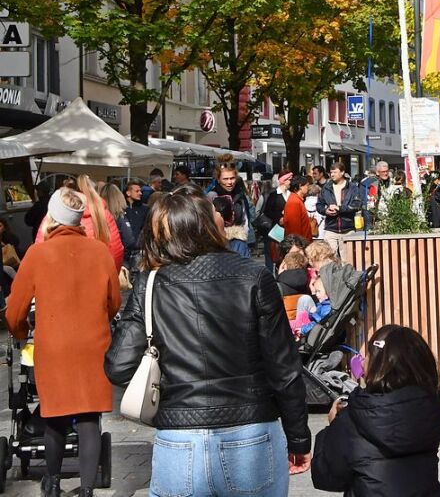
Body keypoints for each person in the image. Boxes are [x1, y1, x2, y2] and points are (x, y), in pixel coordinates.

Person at [105, 189, 312, 495]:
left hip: (179, 437)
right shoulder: (254, 276)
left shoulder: (150, 284)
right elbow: (284, 366)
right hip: (250, 430)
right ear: (207, 225)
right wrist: (298, 437)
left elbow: (119, 366)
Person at [7, 187, 121, 497]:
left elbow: (15, 308)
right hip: (93, 344)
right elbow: (114, 302)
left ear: (52, 217)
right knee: (88, 416)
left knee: (54, 414)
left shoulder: (38, 254)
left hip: (54, 346)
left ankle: (54, 482)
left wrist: (19, 333)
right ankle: (86, 489)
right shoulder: (100, 251)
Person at [311, 324, 440, 496]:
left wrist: (332, 427)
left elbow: (327, 476)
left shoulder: (353, 418)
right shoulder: (430, 408)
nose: (363, 360)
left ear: (376, 365)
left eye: (368, 354)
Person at [316, 162, 363, 260]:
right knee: (330, 259)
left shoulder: (352, 187)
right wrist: (325, 210)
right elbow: (319, 205)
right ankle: (333, 275)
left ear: (342, 173)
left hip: (348, 228)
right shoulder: (326, 187)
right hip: (331, 228)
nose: (332, 175)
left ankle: (345, 275)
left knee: (347, 260)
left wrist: (340, 208)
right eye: (331, 172)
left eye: (335, 172)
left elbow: (357, 204)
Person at [208, 161, 255, 258]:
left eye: (232, 178)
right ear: (218, 179)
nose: (230, 182)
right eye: (225, 179)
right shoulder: (212, 196)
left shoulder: (240, 195)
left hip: (240, 242)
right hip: (218, 243)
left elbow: (246, 219)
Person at [261, 172, 293, 272]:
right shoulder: (273, 195)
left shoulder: (291, 195)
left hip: (290, 228)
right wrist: (279, 217)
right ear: (283, 181)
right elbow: (267, 211)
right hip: (277, 229)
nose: (290, 182)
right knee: (275, 253)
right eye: (289, 179)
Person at [283, 175, 315, 242]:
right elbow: (294, 229)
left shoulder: (297, 200)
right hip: (299, 245)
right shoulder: (294, 202)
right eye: (307, 185)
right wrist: (298, 247)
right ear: (300, 186)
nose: (308, 188)